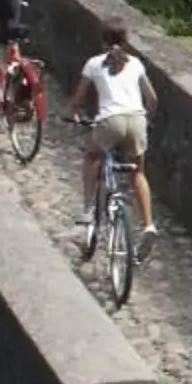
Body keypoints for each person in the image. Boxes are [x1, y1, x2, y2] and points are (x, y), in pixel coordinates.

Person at [70, 18, 162, 257]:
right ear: (127, 40)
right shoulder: (136, 63)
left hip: (110, 121)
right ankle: (148, 225)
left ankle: (89, 209)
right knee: (137, 173)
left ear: (103, 40)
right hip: (136, 120)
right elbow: (152, 100)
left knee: (91, 157)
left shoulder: (94, 64)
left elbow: (79, 98)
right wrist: (147, 121)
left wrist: (71, 113)